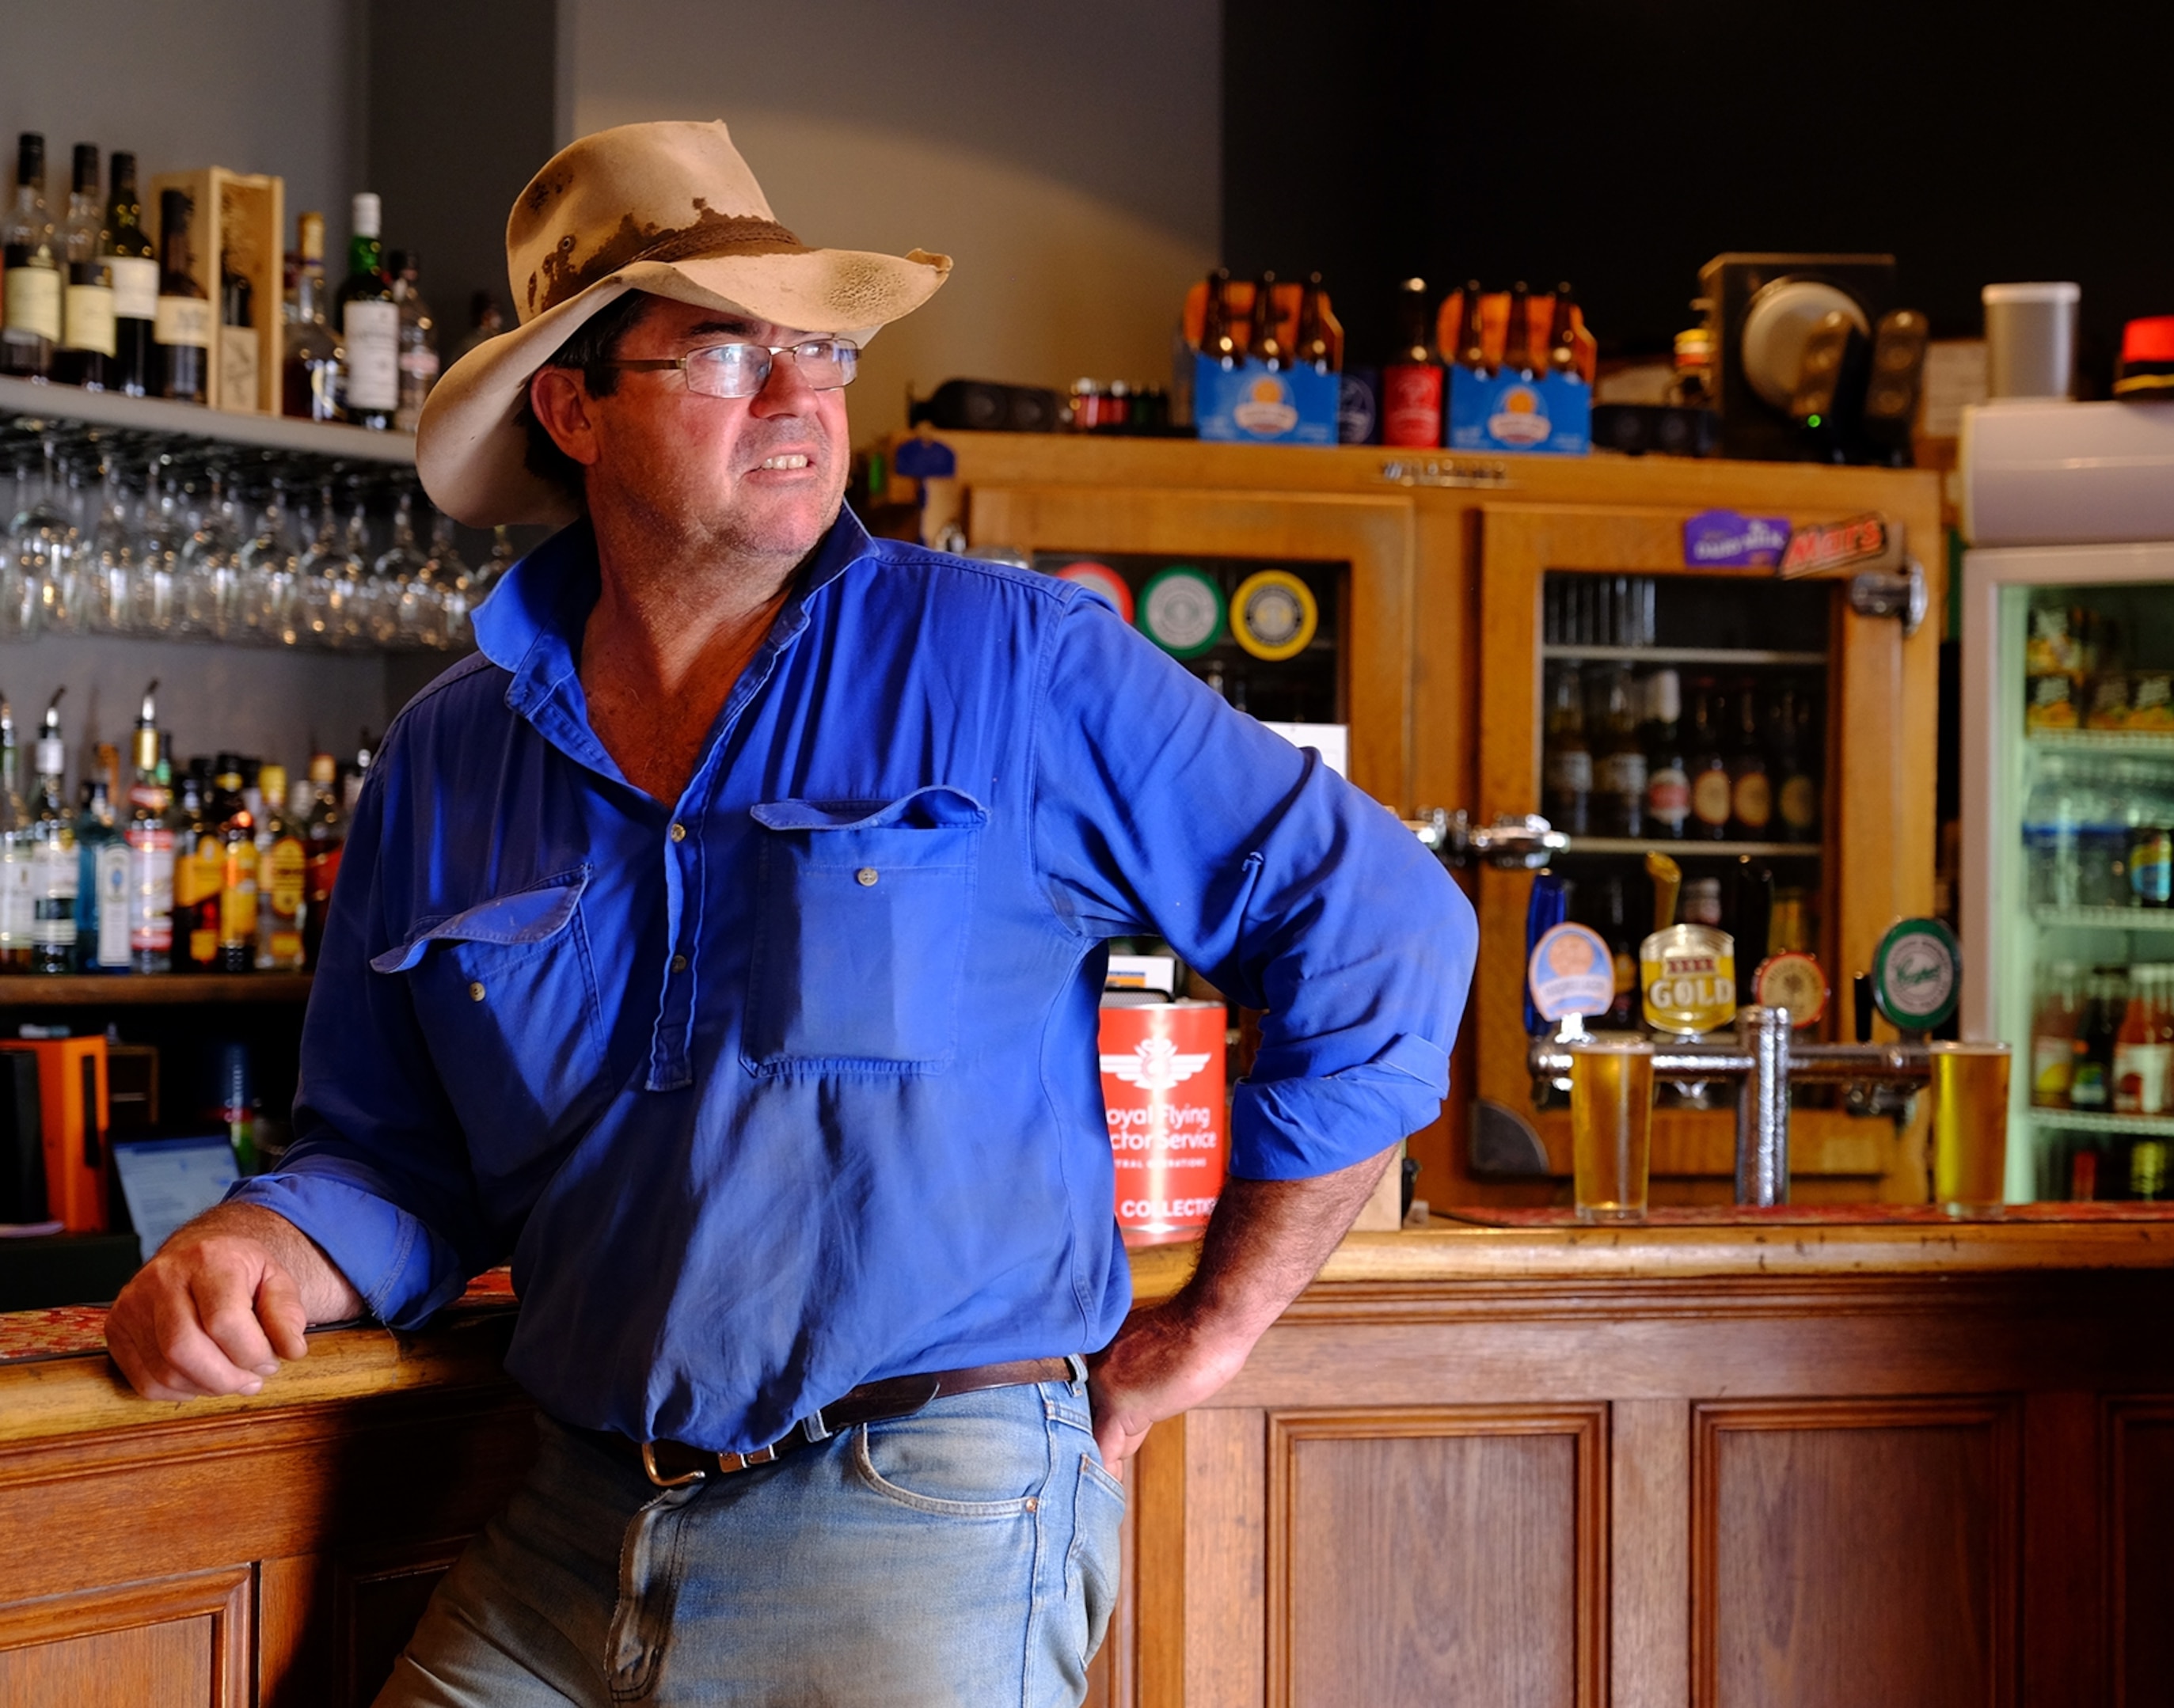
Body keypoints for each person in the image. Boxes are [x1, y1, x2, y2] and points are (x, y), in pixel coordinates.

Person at [101, 120, 1475, 1706]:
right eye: (726, 350)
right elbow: (393, 1149)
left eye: (821, 346)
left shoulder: (1013, 663)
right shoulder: (447, 755)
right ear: (573, 408)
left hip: (913, 1515)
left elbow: (1384, 931)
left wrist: (1220, 1319)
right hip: (571, 1517)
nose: (805, 394)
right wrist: (268, 1233)